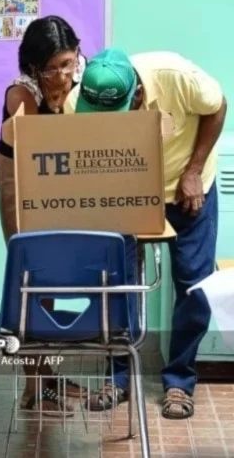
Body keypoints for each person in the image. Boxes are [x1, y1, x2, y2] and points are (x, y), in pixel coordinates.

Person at [66, 48, 227, 419]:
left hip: (187, 188)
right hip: (128, 191)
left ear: (137, 94)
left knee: (195, 284)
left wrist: (193, 170)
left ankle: (179, 381)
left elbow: (218, 107)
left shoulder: (177, 76)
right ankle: (118, 378)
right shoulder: (78, 102)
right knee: (116, 284)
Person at [0, 15, 88, 416]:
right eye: (52, 68)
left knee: (53, 279)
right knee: (32, 277)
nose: (63, 75)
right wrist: (61, 104)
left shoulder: (82, 72)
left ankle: (49, 377)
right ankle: (35, 385)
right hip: (21, 181)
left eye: (68, 63)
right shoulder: (22, 92)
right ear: (34, 66)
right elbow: (40, 146)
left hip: (61, 178)